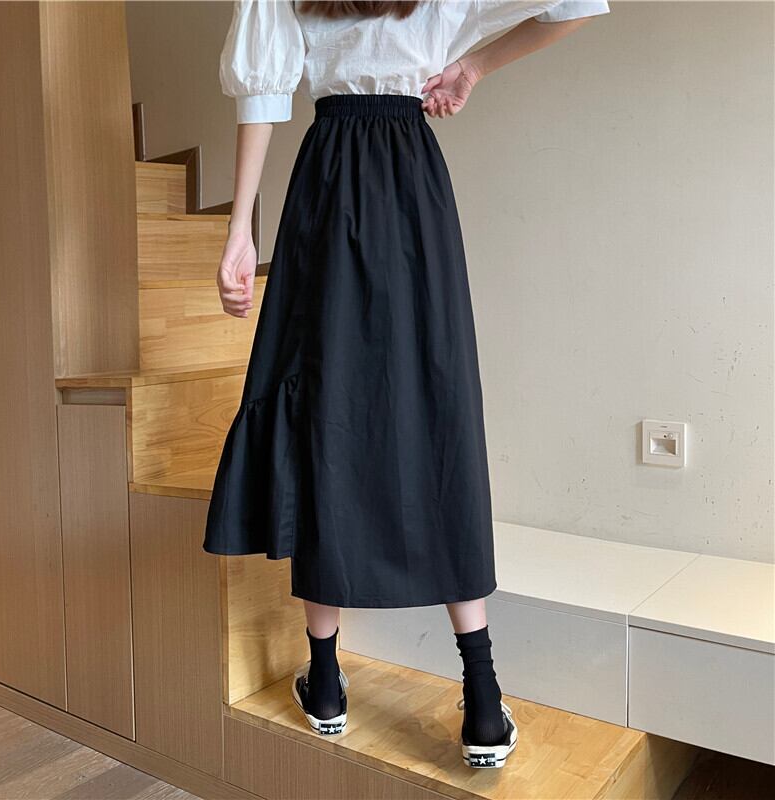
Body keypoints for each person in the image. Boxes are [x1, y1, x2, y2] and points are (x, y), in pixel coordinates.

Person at [203, 0, 610, 769]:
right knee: (437, 410)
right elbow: (576, 4)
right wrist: (472, 67)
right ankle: (482, 698)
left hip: (327, 180)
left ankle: (327, 682)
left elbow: (262, 93)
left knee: (323, 410)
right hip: (412, 183)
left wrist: (239, 230)